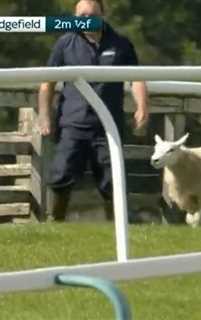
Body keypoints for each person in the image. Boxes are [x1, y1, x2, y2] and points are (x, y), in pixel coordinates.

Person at [37, 0, 149, 221]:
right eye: (82, 15)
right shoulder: (65, 43)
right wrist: (44, 115)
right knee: (61, 176)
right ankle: (55, 223)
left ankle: (118, 229)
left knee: (113, 181)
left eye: (93, 14)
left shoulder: (121, 43)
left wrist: (143, 108)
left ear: (103, 14)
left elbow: (137, 78)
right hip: (72, 124)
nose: (87, 19)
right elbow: (46, 83)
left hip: (108, 127)